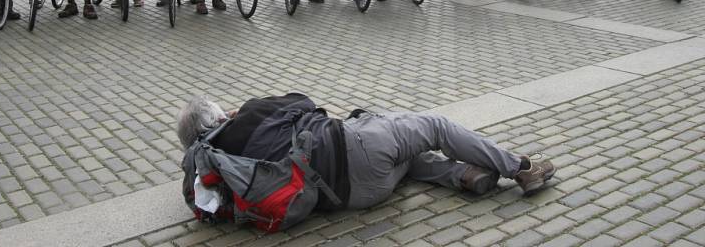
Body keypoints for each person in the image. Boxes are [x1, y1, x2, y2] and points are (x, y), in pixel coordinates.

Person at [178, 93, 556, 224]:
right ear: (218, 115)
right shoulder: (249, 113)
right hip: (356, 147)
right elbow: (306, 104)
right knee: (435, 126)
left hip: (352, 196)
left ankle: (462, 175)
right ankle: (521, 169)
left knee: (405, 158)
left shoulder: (217, 166)